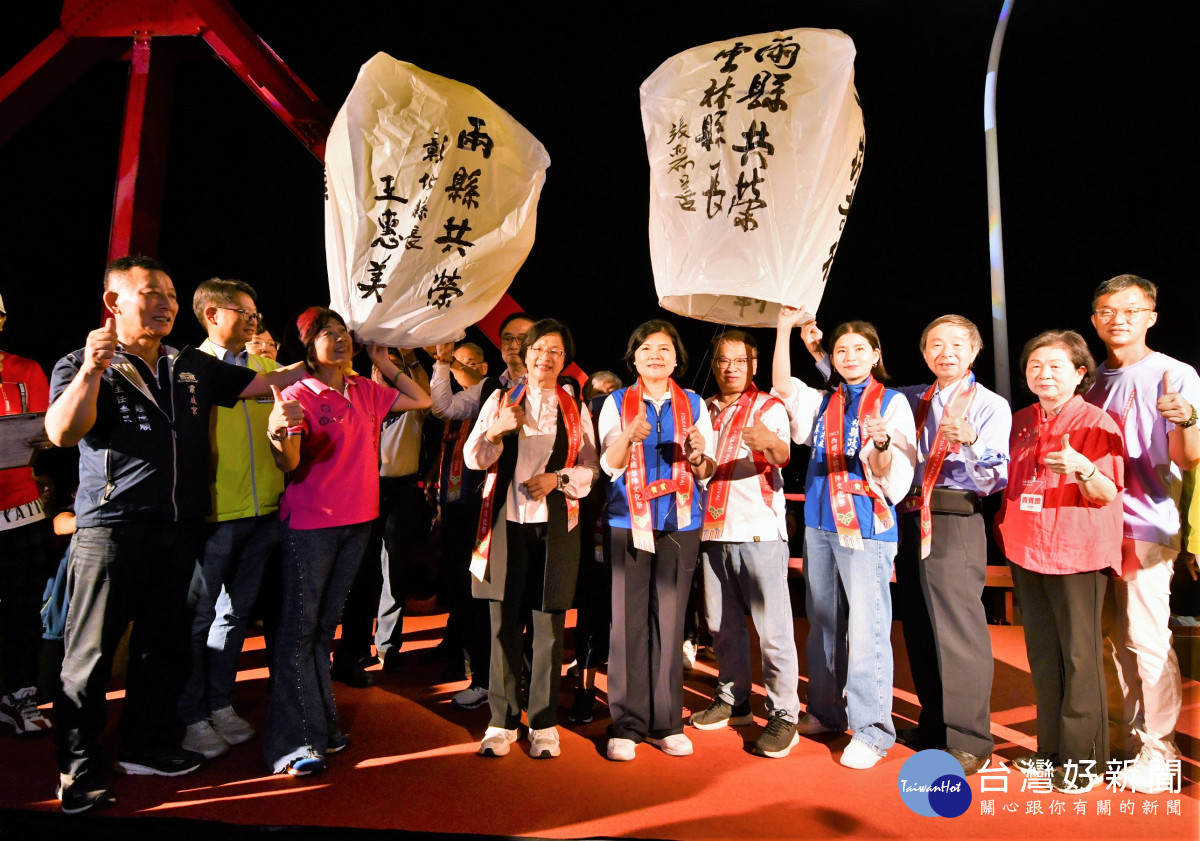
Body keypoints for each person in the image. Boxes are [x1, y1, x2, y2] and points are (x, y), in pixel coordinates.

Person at [45, 256, 307, 814]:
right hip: (112, 530)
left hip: (181, 529)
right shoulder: (80, 363)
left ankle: (146, 743)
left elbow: (267, 381)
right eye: (151, 294)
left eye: (169, 293)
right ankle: (77, 766)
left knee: (162, 645)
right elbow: (63, 433)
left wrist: (338, 354)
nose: (165, 303)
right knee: (89, 656)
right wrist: (92, 371)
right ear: (115, 303)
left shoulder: (188, 366)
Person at [801, 313, 1010, 774]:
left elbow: (996, 477)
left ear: (975, 350)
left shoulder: (990, 404)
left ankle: (970, 736)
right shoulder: (913, 397)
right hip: (906, 513)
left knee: (958, 627)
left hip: (954, 513)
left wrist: (971, 443)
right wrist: (819, 352)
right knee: (916, 623)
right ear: (922, 352)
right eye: (935, 344)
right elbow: (849, 391)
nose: (945, 353)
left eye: (956, 345)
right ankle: (934, 724)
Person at [262, 307, 430, 776]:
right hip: (312, 526)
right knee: (299, 633)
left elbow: (421, 399)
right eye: (326, 335)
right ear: (308, 348)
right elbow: (289, 464)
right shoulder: (297, 393)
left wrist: (385, 359)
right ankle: (292, 744)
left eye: (342, 334)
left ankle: (322, 729)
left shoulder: (364, 389)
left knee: (321, 632)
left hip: (359, 521)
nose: (339, 341)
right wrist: (279, 432)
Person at [771, 307, 916, 770]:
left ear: (876, 355)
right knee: (823, 621)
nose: (850, 356)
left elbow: (889, 475)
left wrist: (880, 445)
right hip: (817, 523)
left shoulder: (891, 404)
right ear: (830, 357)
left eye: (859, 349)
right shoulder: (823, 400)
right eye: (841, 350)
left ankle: (873, 730)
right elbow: (781, 384)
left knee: (868, 627)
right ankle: (827, 711)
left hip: (867, 526)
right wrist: (782, 330)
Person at [1083, 274, 1200, 793]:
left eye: (1131, 309)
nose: (1118, 318)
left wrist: (1187, 419)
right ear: (1094, 320)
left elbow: (1189, 457)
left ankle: (1161, 748)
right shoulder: (1089, 381)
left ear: (1151, 316)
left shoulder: (1175, 374)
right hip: (1092, 526)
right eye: (1107, 310)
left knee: (1147, 637)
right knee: (1108, 638)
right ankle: (1126, 740)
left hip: (1146, 523)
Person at [995, 330, 1124, 794]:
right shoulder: (1021, 420)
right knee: (1043, 657)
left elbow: (1107, 492)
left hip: (1076, 554)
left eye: (1055, 366)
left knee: (1080, 658)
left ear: (1079, 373)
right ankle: (1048, 752)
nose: (1043, 373)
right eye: (1035, 365)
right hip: (1028, 551)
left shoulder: (1097, 423)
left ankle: (1083, 763)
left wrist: (1085, 469)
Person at [465, 319, 598, 758]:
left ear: (565, 360)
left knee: (548, 624)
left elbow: (591, 468)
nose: (546, 357)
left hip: (556, 523)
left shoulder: (574, 405)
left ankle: (543, 722)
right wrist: (496, 428)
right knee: (503, 622)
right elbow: (473, 458)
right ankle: (501, 720)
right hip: (505, 521)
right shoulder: (503, 398)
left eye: (556, 351)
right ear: (526, 352)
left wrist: (557, 478)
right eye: (539, 348)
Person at [598, 319, 715, 761]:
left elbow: (706, 471)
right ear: (634, 357)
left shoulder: (695, 404)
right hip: (628, 521)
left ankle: (667, 721)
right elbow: (609, 465)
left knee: (670, 620)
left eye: (664, 349)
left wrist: (701, 454)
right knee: (628, 622)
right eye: (646, 348)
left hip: (681, 523)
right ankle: (627, 724)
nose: (655, 355)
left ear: (677, 358)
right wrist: (628, 436)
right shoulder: (615, 402)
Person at [178, 278, 284, 760]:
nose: (252, 318)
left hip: (266, 513)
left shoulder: (269, 367)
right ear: (212, 315)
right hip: (215, 514)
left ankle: (219, 704)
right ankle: (190, 715)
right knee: (197, 617)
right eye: (243, 310)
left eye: (255, 310)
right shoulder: (189, 369)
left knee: (236, 614)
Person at [688, 330, 800, 758]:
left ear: (754, 364)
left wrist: (768, 442)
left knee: (774, 631)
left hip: (759, 533)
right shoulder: (705, 408)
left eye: (741, 360)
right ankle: (734, 699)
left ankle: (784, 713)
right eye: (722, 360)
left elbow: (782, 454)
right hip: (713, 530)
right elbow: (705, 471)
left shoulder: (769, 405)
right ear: (714, 364)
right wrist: (698, 457)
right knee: (720, 625)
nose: (731, 368)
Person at [428, 315, 534, 710]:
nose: (513, 344)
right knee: (484, 592)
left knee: (528, 597)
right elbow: (444, 407)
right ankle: (486, 677)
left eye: (522, 338)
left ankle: (525, 677)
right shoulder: (491, 388)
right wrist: (440, 363)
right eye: (507, 338)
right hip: (488, 503)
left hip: (536, 504)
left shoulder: (556, 389)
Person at [332, 347, 430, 685]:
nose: (385, 374)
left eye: (391, 370)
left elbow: (425, 394)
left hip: (401, 490)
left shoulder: (409, 407)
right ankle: (356, 646)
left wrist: (401, 359)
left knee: (396, 570)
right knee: (360, 570)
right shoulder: (359, 398)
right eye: (377, 370)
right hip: (363, 488)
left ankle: (388, 645)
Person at [0, 292, 55, 738]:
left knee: (23, 611)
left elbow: (46, 431)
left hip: (20, 509)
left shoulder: (24, 369)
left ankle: (19, 693)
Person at [568, 370, 622, 724]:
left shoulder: (630, 421)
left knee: (625, 618)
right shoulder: (579, 428)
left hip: (630, 529)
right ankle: (585, 692)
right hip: (590, 534)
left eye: (612, 393)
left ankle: (627, 695)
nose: (605, 400)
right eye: (597, 396)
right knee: (589, 613)